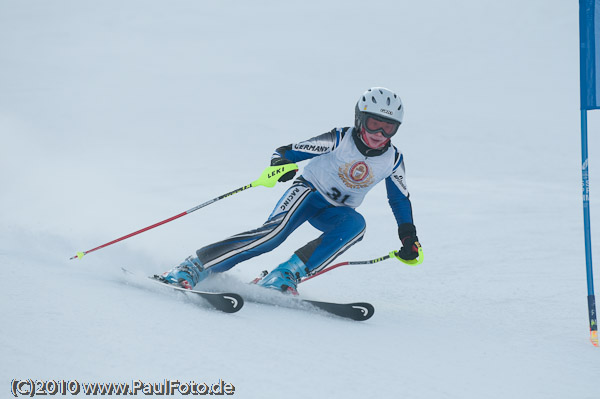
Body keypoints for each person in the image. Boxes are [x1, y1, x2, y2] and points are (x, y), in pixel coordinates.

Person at [157, 87, 422, 294]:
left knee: (356, 226)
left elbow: (399, 200)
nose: (379, 133)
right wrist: (282, 164)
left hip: (337, 211)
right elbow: (286, 151)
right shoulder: (340, 138)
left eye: (388, 127)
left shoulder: (393, 160)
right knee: (273, 235)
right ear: (359, 119)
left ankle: (284, 275)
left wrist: (408, 236)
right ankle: (194, 267)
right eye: (374, 123)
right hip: (307, 194)